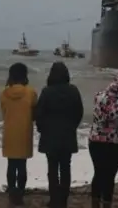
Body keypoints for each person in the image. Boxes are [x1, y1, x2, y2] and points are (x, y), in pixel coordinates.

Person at [35, 61, 84, 208]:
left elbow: (39, 114)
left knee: (52, 168)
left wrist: (42, 129)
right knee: (65, 168)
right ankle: (63, 200)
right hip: (68, 136)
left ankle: (54, 200)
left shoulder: (46, 91)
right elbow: (79, 112)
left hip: (50, 137)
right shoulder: (73, 91)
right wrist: (72, 126)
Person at [88, 75, 118, 208]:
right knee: (109, 177)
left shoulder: (98, 96)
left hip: (95, 141)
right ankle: (106, 204)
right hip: (113, 144)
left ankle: (95, 204)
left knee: (98, 173)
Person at [0, 62, 38, 206]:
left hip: (10, 132)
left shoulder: (3, 93)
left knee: (11, 164)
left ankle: (12, 193)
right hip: (24, 131)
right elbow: (34, 113)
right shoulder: (31, 92)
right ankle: (20, 193)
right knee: (22, 165)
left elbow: (4, 112)